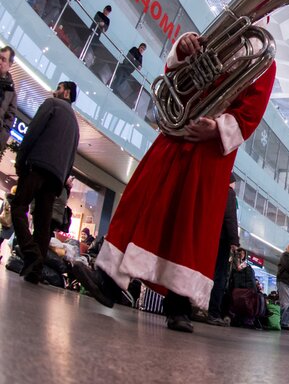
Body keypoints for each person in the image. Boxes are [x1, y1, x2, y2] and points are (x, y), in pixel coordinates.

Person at [73, 31, 276, 333]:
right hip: (177, 130)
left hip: (209, 153)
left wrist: (218, 129)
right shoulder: (215, 37)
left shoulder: (265, 60)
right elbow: (175, 78)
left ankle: (180, 305)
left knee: (190, 224)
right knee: (143, 205)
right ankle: (110, 281)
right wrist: (182, 50)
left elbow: (252, 112)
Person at [10, 81, 79, 284]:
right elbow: (71, 157)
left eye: (58, 88)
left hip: (37, 166)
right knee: (43, 223)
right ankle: (36, 270)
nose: (54, 91)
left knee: (18, 206)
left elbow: (33, 130)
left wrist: (21, 159)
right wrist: (62, 180)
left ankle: (31, 252)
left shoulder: (52, 104)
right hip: (56, 178)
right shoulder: (75, 123)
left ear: (65, 92)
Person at [203, 172, 239, 326]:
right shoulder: (229, 193)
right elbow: (230, 217)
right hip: (222, 239)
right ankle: (214, 312)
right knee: (220, 276)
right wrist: (234, 240)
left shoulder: (213, 191)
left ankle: (200, 307)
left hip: (209, 237)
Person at [0, 46, 18, 157]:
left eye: (3, 59)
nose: (0, 62)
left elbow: (9, 121)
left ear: (10, 64)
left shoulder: (11, 93)